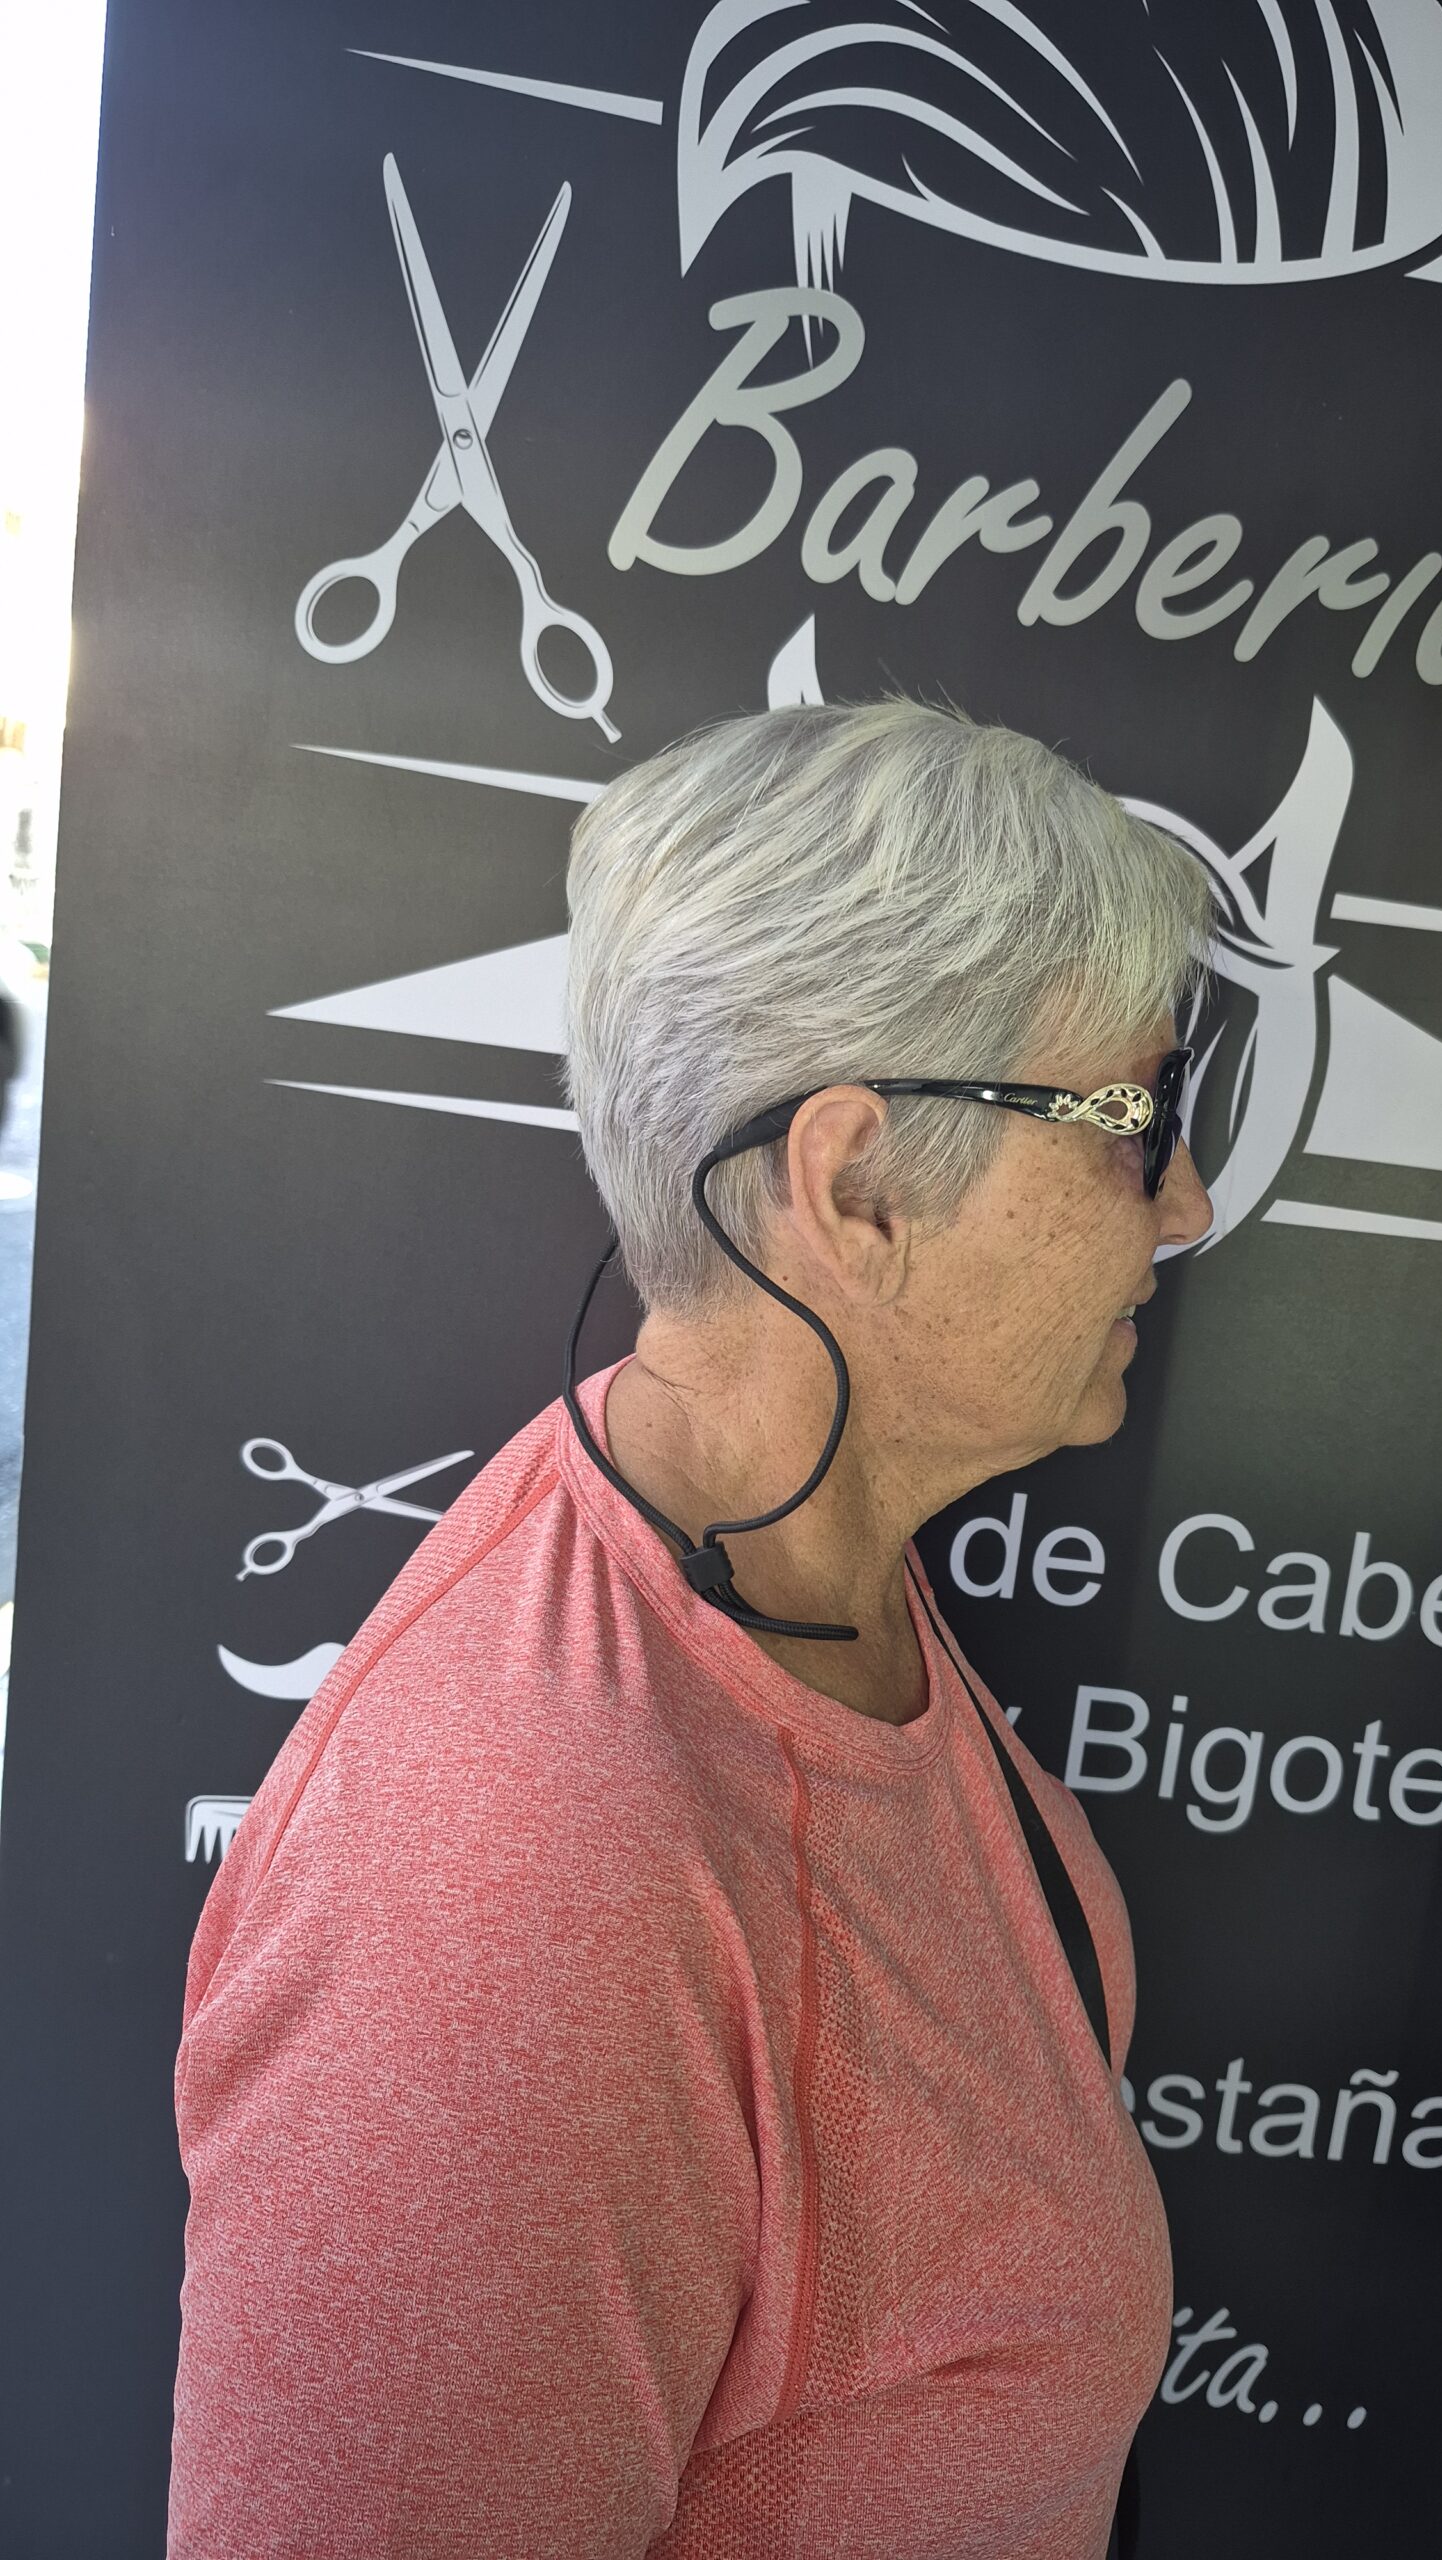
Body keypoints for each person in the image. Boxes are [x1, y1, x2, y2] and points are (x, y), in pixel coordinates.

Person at [168, 698, 1214, 2558]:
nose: (1191, 1206)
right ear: (857, 1184)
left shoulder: (816, 1581)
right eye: (1139, 1124)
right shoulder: (522, 1879)